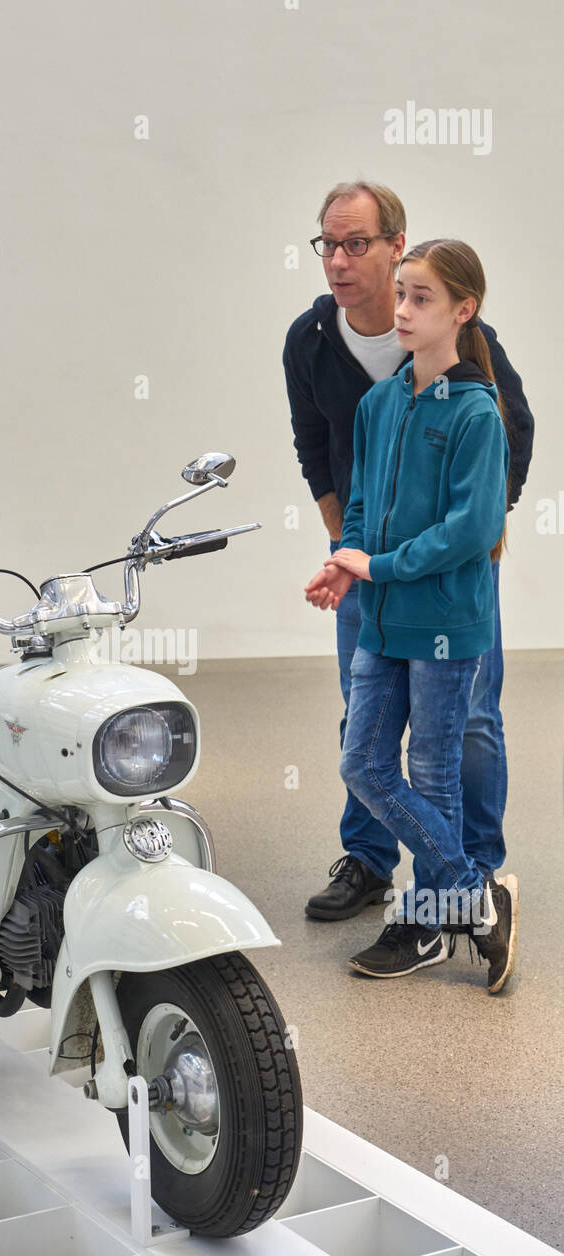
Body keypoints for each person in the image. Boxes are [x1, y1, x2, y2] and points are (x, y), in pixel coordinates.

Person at [283, 182, 533, 930]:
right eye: (328, 243)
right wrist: (346, 546)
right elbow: (318, 452)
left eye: (356, 243)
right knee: (363, 716)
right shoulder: (312, 340)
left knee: (465, 725)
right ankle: (368, 858)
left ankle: (472, 869)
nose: (338, 260)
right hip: (367, 566)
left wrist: (477, 537)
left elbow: (510, 430)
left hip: (450, 572)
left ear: (396, 243)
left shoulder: (454, 345)